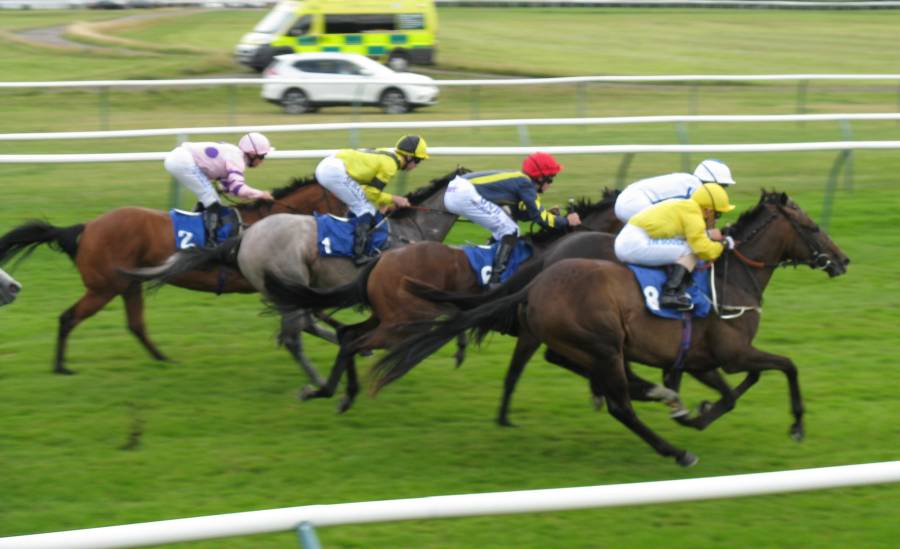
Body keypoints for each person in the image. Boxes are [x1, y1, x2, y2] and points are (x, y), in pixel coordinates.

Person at [443, 152, 582, 287]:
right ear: (540, 178)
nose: (550, 184)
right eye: (550, 179)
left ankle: (488, 260)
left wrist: (549, 216)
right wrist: (566, 221)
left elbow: (522, 213)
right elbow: (539, 217)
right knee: (510, 229)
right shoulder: (526, 184)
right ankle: (496, 278)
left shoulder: (519, 181)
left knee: (505, 226)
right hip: (463, 193)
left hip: (455, 190)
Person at [614, 183, 736, 310]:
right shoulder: (693, 215)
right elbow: (702, 249)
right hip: (634, 243)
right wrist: (723, 245)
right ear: (708, 211)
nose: (716, 220)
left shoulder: (687, 206)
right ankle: (669, 294)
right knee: (689, 250)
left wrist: (709, 235)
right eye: (717, 214)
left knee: (686, 247)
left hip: (630, 239)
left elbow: (688, 236)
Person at [315, 135, 426, 264]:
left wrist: (384, 201)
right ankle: (359, 255)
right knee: (365, 210)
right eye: (418, 161)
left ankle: (349, 236)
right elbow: (370, 193)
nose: (416, 166)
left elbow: (369, 190)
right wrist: (395, 199)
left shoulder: (391, 156)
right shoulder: (390, 166)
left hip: (331, 166)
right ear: (409, 157)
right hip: (333, 172)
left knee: (365, 207)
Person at [164, 132, 274, 242]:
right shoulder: (237, 160)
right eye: (262, 156)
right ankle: (210, 240)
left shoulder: (234, 153)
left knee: (210, 199)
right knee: (212, 201)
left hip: (179, 158)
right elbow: (238, 189)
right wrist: (261, 194)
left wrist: (225, 189)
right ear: (252, 154)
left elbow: (231, 188)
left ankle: (194, 227)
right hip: (183, 161)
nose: (262, 161)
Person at [614, 159, 736, 224]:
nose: (722, 190)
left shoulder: (689, 181)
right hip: (634, 205)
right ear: (711, 181)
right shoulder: (697, 190)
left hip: (627, 199)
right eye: (722, 185)